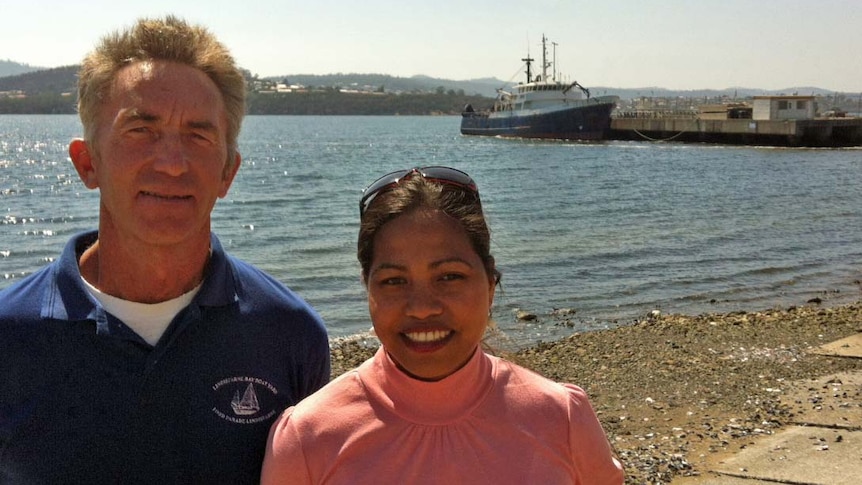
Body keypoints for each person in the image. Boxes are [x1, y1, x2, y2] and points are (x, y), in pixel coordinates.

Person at [0, 16, 330, 484]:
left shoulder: (289, 335)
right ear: (86, 161)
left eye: (199, 136)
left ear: (227, 173)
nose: (173, 163)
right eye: (141, 130)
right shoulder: (10, 337)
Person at [260, 166, 624, 484]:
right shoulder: (308, 438)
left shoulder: (561, 418)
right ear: (367, 289)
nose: (421, 309)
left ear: (490, 284)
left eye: (449, 276)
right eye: (393, 281)